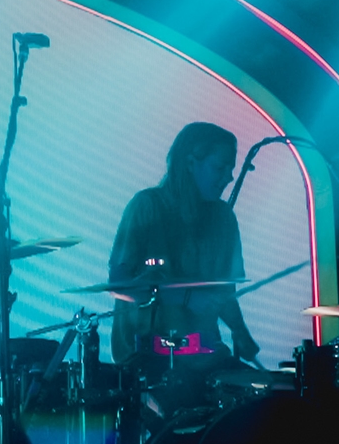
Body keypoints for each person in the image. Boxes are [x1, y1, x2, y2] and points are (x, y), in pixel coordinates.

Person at [108, 122, 260, 372]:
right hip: (147, 357)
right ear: (190, 164)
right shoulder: (146, 206)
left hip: (205, 353)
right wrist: (186, 297)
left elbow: (225, 293)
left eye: (231, 169)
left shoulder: (224, 218)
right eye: (219, 167)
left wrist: (240, 333)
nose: (229, 176)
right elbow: (119, 282)